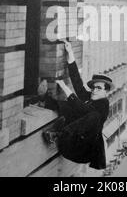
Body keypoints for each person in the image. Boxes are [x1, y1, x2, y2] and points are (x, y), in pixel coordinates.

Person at [42, 40, 113, 170]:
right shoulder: (92, 97)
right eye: (93, 87)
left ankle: (56, 135)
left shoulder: (103, 106)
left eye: (99, 88)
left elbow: (82, 108)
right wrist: (70, 55)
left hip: (82, 151)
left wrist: (63, 86)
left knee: (92, 115)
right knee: (73, 105)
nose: (94, 90)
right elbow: (77, 83)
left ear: (106, 92)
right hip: (69, 142)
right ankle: (45, 100)